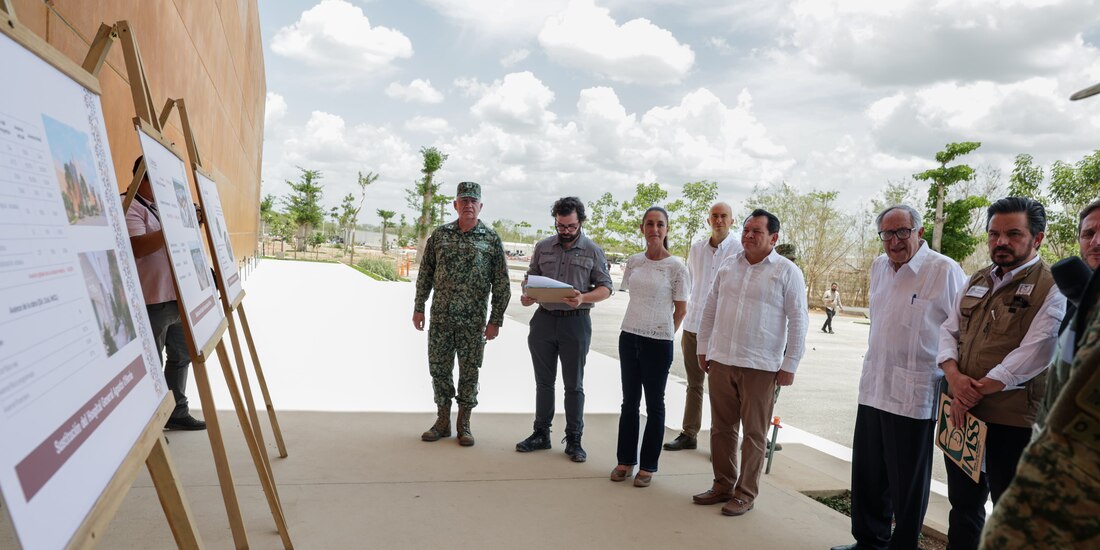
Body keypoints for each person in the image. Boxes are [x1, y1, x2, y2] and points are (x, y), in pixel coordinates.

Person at [829, 205, 965, 550]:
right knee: (868, 473)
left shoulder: (943, 271)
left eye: (902, 232)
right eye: (887, 234)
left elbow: (960, 331)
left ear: (918, 232)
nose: (894, 241)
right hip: (875, 386)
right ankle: (869, 541)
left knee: (907, 483)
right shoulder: (879, 267)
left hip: (914, 393)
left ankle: (902, 546)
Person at [936, 197, 1066, 550]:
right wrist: (954, 377)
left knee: (1010, 510)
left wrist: (972, 390)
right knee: (963, 506)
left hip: (1012, 420)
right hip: (963, 415)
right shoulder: (977, 278)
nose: (1001, 242)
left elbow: (1037, 351)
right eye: (994, 234)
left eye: (1013, 234)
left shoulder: (1052, 286)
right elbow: (948, 331)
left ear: (1037, 238)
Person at [693, 209, 808, 516]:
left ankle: (746, 493)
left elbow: (798, 319)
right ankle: (722, 485)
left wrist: (790, 364)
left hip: (762, 365)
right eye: (745, 229)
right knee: (721, 429)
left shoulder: (786, 271)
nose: (748, 235)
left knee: (754, 434)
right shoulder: (729, 266)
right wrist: (703, 348)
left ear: (774, 238)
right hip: (723, 359)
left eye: (756, 231)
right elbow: (709, 308)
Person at [514, 197, 613, 462]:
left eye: (570, 226)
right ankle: (540, 434)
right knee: (544, 382)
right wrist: (527, 295)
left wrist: (583, 297)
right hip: (544, 320)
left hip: (576, 322)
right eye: (560, 225)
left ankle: (574, 440)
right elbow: (530, 278)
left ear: (580, 222)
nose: (565, 231)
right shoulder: (543, 246)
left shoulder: (593, 250)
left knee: (574, 385)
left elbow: (606, 288)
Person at [413, 181, 510, 447]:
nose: (468, 205)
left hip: (473, 322)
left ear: (480, 206)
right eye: (463, 200)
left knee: (470, 372)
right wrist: (419, 306)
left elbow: (501, 283)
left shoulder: (490, 239)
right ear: (455, 205)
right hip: (442, 318)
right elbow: (426, 274)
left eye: (473, 201)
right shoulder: (440, 235)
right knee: (439, 370)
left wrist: (495, 320)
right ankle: (442, 421)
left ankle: (464, 423)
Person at [609, 207, 689, 487]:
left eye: (660, 224)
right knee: (629, 402)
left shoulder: (677, 267)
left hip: (658, 343)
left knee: (655, 405)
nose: (654, 229)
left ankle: (648, 466)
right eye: (649, 224)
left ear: (667, 230)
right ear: (642, 228)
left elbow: (681, 310)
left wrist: (663, 333)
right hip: (628, 337)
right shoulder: (633, 262)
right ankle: (625, 460)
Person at [125, 156, 205, 431]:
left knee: (181, 357)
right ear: (143, 178)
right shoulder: (128, 205)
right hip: (151, 299)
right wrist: (175, 224)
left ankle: (176, 411)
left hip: (179, 296)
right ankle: (148, 424)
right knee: (151, 363)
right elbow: (139, 247)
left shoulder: (162, 207)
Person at [664, 202, 742, 452]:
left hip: (723, 329)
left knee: (725, 391)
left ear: (732, 221)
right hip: (694, 325)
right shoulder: (697, 249)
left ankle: (723, 442)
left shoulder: (740, 250)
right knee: (694, 383)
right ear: (708, 221)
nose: (718, 220)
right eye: (714, 216)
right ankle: (689, 433)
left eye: (723, 216)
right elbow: (689, 284)